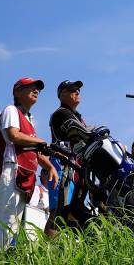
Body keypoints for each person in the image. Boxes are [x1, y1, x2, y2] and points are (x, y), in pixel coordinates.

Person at [0, 77, 58, 251]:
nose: (36, 90)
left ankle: (2, 259)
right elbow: (13, 135)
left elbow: (34, 149)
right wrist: (41, 142)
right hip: (10, 170)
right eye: (30, 87)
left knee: (15, 223)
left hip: (24, 175)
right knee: (7, 219)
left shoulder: (30, 120)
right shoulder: (11, 110)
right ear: (17, 92)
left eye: (38, 89)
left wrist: (49, 166)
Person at [46, 80, 93, 232]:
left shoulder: (75, 115)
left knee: (72, 211)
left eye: (78, 89)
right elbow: (84, 136)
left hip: (74, 167)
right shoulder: (62, 113)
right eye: (73, 89)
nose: (77, 92)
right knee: (58, 211)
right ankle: (45, 251)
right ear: (62, 94)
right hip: (62, 165)